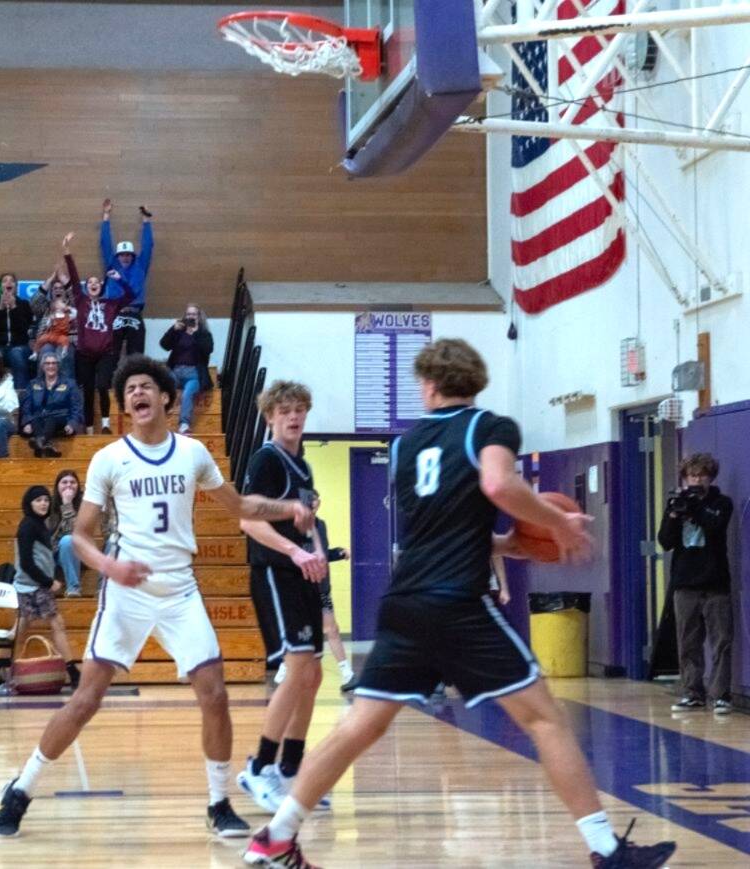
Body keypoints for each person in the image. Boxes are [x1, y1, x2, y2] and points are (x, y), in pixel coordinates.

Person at [243, 338, 676, 869]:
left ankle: (276, 837)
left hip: (405, 602)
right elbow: (497, 482)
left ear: (428, 385)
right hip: (459, 604)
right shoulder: (490, 428)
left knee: (361, 724)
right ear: (476, 381)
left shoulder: (404, 447)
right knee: (545, 720)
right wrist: (556, 520)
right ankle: (607, 849)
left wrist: (512, 542)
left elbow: (442, 531)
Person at [0, 354, 315, 839]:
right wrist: (109, 567)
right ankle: (22, 786)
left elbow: (241, 506)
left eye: (145, 386)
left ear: (165, 397)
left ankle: (218, 801)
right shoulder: (108, 458)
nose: (136, 394)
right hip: (127, 592)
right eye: (129, 391)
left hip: (179, 589)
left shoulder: (193, 453)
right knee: (85, 700)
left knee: (216, 695)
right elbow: (79, 536)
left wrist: (287, 506)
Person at [236, 381, 350, 814]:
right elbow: (248, 520)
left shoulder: (303, 467)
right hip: (274, 573)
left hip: (302, 574)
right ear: (270, 417)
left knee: (313, 676)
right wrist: (296, 552)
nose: (293, 416)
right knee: (297, 666)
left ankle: (289, 769)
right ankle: (259, 767)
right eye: (284, 410)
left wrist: (318, 554)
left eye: (299, 408)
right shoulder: (266, 459)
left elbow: (306, 527)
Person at [659, 452, 734, 715]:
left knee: (721, 641)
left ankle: (721, 695)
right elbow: (665, 542)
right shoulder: (676, 504)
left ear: (710, 477)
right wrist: (673, 515)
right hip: (685, 584)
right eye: (692, 475)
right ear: (685, 477)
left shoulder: (721, 503)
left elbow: (714, 527)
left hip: (715, 583)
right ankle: (692, 692)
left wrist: (695, 508)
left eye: (702, 475)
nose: (696, 479)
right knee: (688, 641)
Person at [3, 485, 80, 694]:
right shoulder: (28, 526)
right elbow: (26, 563)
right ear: (29, 503)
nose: (43, 503)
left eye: (46, 500)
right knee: (53, 625)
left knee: (22, 629)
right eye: (38, 500)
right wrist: (49, 582)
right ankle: (73, 672)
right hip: (32, 586)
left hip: (33, 585)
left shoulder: (39, 525)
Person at [60, 233, 122, 435]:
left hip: (105, 353)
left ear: (101, 286)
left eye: (97, 282)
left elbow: (130, 296)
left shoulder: (110, 304)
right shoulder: (80, 300)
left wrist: (120, 281)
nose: (93, 284)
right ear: (87, 288)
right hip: (85, 354)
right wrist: (67, 252)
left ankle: (105, 424)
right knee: (87, 390)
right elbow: (74, 277)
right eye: (90, 283)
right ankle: (88, 428)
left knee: (103, 385)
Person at [100, 199, 153, 357]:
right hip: (115, 313)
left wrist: (146, 220)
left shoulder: (141, 265)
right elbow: (105, 243)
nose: (125, 257)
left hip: (135, 312)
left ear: (132, 255)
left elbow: (148, 245)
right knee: (111, 353)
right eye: (122, 254)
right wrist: (106, 216)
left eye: (128, 254)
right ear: (117, 256)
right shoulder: (112, 265)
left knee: (136, 354)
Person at [160, 303, 214, 435]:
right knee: (162, 387)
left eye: (194, 314)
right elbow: (164, 345)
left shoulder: (204, 333)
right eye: (188, 314)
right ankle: (160, 422)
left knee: (187, 394)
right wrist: (173, 329)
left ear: (199, 317)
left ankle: (184, 425)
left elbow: (208, 350)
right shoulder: (179, 332)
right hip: (175, 371)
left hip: (193, 374)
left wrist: (195, 334)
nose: (191, 317)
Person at [20, 351, 82, 458]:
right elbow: (26, 406)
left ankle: (40, 443)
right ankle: (47, 446)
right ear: (42, 366)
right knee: (34, 420)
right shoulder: (33, 384)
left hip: (61, 418)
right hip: (38, 419)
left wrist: (72, 423)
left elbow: (76, 407)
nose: (51, 366)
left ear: (58, 365)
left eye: (54, 363)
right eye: (47, 363)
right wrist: (27, 422)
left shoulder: (69, 383)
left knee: (50, 419)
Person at [0, 272, 34, 392]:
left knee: (16, 354)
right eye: (5, 281)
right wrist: (0, 309)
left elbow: (25, 328)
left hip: (19, 346)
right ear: (0, 287)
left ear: (16, 286)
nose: (8, 283)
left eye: (12, 281)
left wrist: (14, 307)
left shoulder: (24, 305)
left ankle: (21, 397)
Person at [47, 469, 88, 597]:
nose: (69, 485)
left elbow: (74, 534)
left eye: (73, 482)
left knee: (68, 540)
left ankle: (73, 589)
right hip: (50, 553)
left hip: (75, 552)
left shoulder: (85, 506)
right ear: (57, 486)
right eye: (64, 482)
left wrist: (67, 504)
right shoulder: (47, 505)